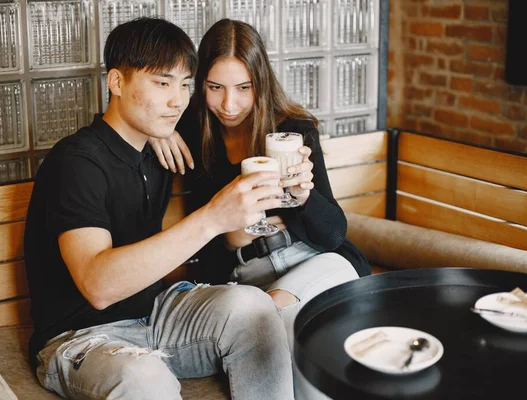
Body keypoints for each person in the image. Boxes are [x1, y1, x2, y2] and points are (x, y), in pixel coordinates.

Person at [23, 17, 294, 400]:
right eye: (162, 83)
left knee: (254, 307)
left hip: (155, 315)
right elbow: (98, 286)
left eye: (185, 85)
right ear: (116, 83)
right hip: (80, 336)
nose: (178, 100)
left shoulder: (158, 151)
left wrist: (159, 135)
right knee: (144, 376)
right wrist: (213, 218)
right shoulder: (75, 162)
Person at [150, 19, 370, 348]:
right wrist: (156, 132)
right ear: (200, 83)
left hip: (314, 259)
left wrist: (305, 197)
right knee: (278, 323)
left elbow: (334, 233)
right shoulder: (191, 131)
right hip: (246, 274)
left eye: (243, 87)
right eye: (215, 87)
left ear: (261, 83)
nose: (229, 104)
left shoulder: (293, 130)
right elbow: (116, 126)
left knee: (273, 316)